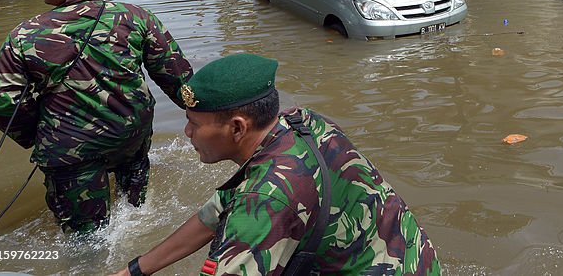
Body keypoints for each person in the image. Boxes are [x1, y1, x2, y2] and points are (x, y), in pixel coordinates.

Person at [110, 53, 440, 276]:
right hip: (417, 258)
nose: (187, 132)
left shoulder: (266, 200)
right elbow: (212, 215)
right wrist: (134, 270)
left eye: (194, 123)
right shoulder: (302, 123)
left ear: (237, 127)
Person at [0, 0, 192, 233]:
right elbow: (178, 78)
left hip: (70, 149)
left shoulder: (24, 35)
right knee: (135, 213)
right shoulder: (137, 17)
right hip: (131, 137)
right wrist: (204, 116)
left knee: (87, 241)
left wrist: (39, 135)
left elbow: (2, 105)